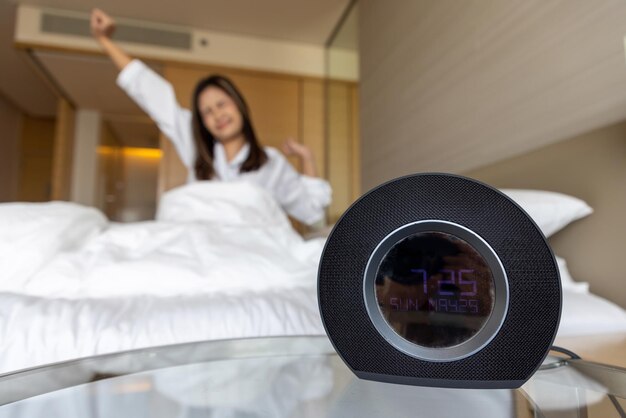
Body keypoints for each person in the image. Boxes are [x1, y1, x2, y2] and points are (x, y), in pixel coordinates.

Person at [90, 9, 331, 226]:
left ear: (238, 105)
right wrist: (104, 41)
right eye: (207, 112)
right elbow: (151, 93)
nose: (217, 115)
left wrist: (307, 158)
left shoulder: (271, 163)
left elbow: (313, 212)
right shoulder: (196, 147)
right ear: (202, 122)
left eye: (221, 104)